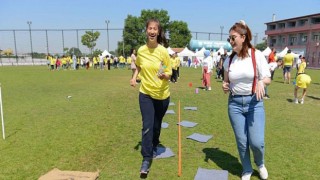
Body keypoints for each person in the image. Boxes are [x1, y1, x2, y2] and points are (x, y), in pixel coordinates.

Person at [222, 20, 271, 180]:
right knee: (242, 141)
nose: (230, 41)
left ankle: (260, 163)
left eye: (233, 37)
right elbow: (226, 81)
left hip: (254, 103)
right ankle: (247, 169)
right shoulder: (229, 60)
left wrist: (261, 83)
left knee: (257, 142)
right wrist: (225, 85)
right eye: (229, 38)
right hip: (234, 105)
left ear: (243, 38)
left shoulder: (256, 55)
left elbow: (267, 77)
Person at [130, 18, 172, 175]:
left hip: (162, 95)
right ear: (146, 31)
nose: (152, 31)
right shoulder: (141, 50)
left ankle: (155, 144)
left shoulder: (163, 52)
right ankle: (146, 159)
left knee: (156, 125)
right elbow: (139, 66)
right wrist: (135, 77)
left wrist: (165, 76)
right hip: (145, 93)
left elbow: (169, 72)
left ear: (159, 32)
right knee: (147, 125)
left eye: (155, 29)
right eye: (150, 28)